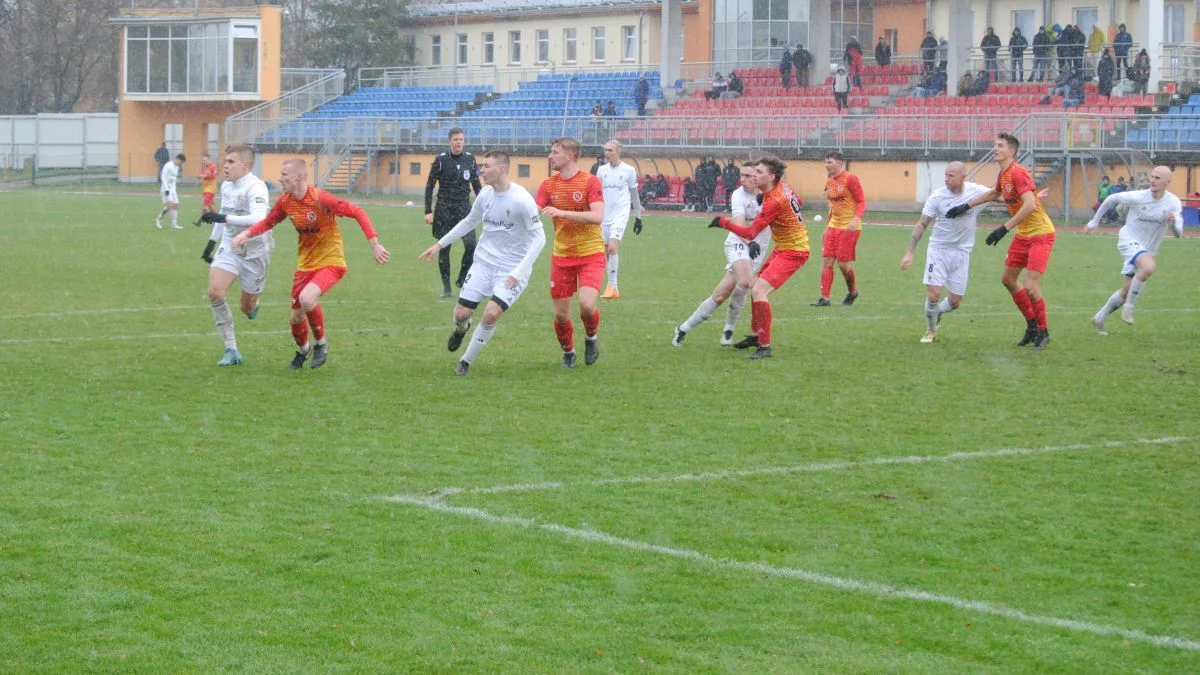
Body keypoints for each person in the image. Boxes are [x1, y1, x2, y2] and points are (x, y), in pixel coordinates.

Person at [230, 158, 390, 370]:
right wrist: (246, 234)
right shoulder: (285, 201)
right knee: (296, 318)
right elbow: (269, 222)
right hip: (305, 265)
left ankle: (321, 344)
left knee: (307, 299)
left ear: (299, 177)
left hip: (331, 261)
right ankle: (303, 350)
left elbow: (357, 212)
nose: (280, 178)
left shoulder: (321, 198)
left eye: (285, 174)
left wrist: (375, 245)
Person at [418, 151, 545, 375]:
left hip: (511, 269)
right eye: (481, 166)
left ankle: (465, 361)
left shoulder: (522, 199)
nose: (481, 171)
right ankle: (461, 329)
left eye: (486, 166)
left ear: (502, 169)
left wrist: (519, 271)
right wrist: (439, 244)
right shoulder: (485, 195)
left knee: (490, 313)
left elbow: (540, 239)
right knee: (461, 314)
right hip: (483, 264)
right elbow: (469, 222)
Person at [945, 133, 1057, 349]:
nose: (995, 148)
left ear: (1011, 151)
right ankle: (1031, 326)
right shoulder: (1004, 174)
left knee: (1031, 285)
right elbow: (994, 193)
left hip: (1041, 234)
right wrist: (967, 206)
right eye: (995, 145)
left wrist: (1003, 228)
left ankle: (1044, 331)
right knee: (1008, 279)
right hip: (1023, 234)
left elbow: (1030, 205)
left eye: (1000, 146)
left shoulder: (1018, 172)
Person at [707, 155, 810, 360]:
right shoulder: (783, 188)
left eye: (759, 172)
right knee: (754, 285)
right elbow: (799, 201)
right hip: (785, 247)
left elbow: (750, 234)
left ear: (771, 176)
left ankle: (765, 347)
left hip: (794, 251)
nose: (755, 175)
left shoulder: (775, 201)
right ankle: (756, 335)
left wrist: (723, 223)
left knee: (758, 289)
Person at [673, 161, 771, 348]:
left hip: (758, 248)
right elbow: (740, 225)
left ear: (759, 178)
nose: (743, 179)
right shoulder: (738, 195)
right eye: (741, 175)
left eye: (748, 176)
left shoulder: (770, 195)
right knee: (745, 281)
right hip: (739, 243)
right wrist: (750, 243)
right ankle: (729, 328)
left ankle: (683, 329)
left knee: (720, 295)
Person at [900, 162, 994, 343]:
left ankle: (938, 313)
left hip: (962, 252)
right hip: (939, 250)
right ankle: (931, 330)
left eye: (951, 175)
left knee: (955, 302)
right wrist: (909, 252)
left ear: (962, 177)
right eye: (945, 175)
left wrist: (1030, 196)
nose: (946, 179)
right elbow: (922, 224)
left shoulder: (975, 191)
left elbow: (998, 195)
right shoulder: (937, 196)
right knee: (934, 293)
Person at [535, 137, 606, 368]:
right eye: (550, 152)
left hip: (590, 254)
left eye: (555, 152)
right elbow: (533, 211)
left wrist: (562, 213)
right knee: (561, 316)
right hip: (562, 256)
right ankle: (568, 352)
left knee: (586, 305)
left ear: (570, 156)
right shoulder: (548, 185)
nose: (550, 156)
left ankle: (591, 336)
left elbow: (597, 216)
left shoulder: (590, 182)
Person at [198, 145, 271, 366]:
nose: (225, 166)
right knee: (215, 292)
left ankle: (253, 304)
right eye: (225, 161)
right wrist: (210, 244)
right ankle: (231, 349)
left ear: (246, 165)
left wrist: (224, 218)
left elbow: (259, 219)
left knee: (245, 307)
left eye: (231, 162)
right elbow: (223, 216)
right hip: (230, 247)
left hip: (254, 250)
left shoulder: (256, 187)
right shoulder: (227, 186)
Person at [1087, 166, 1183, 333]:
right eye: (1152, 176)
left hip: (1147, 249)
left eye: (1158, 178)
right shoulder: (1139, 196)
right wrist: (1094, 222)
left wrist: (1174, 223)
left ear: (1167, 182)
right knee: (1149, 267)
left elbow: (1178, 234)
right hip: (1128, 240)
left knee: (1126, 291)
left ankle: (1099, 318)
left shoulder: (1173, 202)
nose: (1152, 180)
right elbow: (1111, 198)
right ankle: (1129, 307)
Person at [424, 127, 483, 298]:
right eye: (456, 139)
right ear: (449, 141)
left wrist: (486, 205)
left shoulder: (470, 159)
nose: (459, 143)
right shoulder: (441, 160)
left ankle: (462, 278)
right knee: (444, 248)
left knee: (472, 245)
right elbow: (429, 186)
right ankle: (447, 288)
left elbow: (476, 185)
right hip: (444, 208)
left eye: (461, 139)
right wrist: (428, 211)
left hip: (464, 208)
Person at [813, 151, 866, 306]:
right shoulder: (830, 181)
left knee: (843, 265)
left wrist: (855, 220)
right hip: (833, 226)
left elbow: (862, 202)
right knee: (827, 262)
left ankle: (852, 292)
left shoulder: (850, 178)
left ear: (840, 163)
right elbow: (832, 206)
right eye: (825, 162)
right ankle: (825, 298)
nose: (826, 165)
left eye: (829, 162)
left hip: (849, 227)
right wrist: (827, 226)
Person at [596, 140, 643, 299]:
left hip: (620, 215)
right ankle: (611, 286)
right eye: (605, 150)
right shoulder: (601, 170)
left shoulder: (629, 170)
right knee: (605, 250)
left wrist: (638, 217)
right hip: (604, 216)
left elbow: (634, 196)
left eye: (610, 150)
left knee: (612, 248)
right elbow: (596, 194)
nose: (606, 153)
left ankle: (613, 286)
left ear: (618, 152)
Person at [155, 153, 186, 229]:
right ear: (177, 159)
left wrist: (174, 190)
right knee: (170, 206)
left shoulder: (177, 167)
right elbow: (163, 177)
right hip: (166, 189)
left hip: (172, 189)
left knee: (174, 206)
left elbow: (173, 179)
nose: (181, 164)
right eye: (181, 162)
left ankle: (174, 224)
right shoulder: (168, 165)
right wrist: (166, 189)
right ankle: (159, 219)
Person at [194, 153, 219, 226]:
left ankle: (200, 221)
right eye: (203, 160)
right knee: (211, 206)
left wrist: (204, 176)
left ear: (209, 160)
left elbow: (213, 176)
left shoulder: (213, 167)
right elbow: (202, 175)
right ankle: (218, 220)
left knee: (206, 206)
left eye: (205, 160)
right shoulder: (205, 167)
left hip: (211, 189)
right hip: (205, 188)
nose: (203, 162)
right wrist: (200, 176)